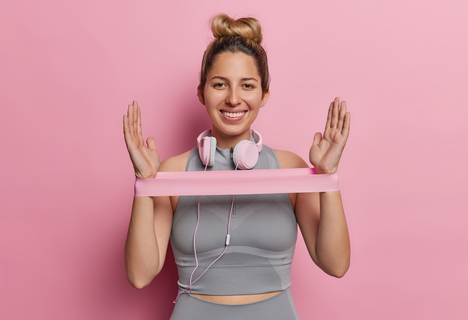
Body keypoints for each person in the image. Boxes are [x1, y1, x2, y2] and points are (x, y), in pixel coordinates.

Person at [123, 13, 350, 320]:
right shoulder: (173, 172)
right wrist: (144, 182)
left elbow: (335, 264)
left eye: (247, 85)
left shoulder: (289, 167)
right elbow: (140, 275)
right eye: (220, 84)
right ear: (202, 92)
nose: (233, 99)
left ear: (263, 94)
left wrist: (327, 179)